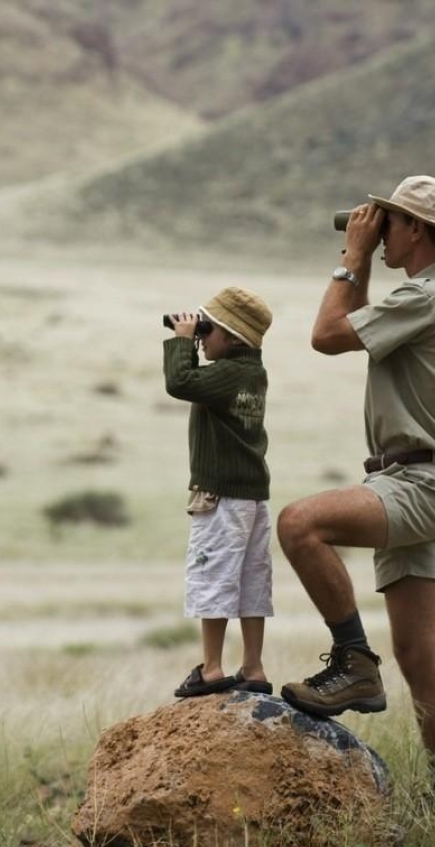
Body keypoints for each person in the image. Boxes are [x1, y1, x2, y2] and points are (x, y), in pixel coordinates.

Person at [277, 175, 435, 802]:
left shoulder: (428, 296)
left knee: (299, 523)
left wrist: (353, 259)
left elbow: (327, 335)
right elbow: (353, 325)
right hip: (419, 479)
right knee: (422, 657)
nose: (378, 232)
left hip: (417, 484)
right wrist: (365, 259)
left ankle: (353, 664)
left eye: (388, 222)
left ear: (416, 229)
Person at [163, 286, 275, 698]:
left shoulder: (227, 374)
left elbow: (179, 383)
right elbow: (195, 381)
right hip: (252, 496)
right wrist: (194, 340)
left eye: (206, 330)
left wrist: (180, 341)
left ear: (231, 337)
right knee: (251, 581)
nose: (200, 337)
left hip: (221, 496)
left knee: (213, 577)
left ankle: (212, 668)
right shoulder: (252, 373)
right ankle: (254, 666)